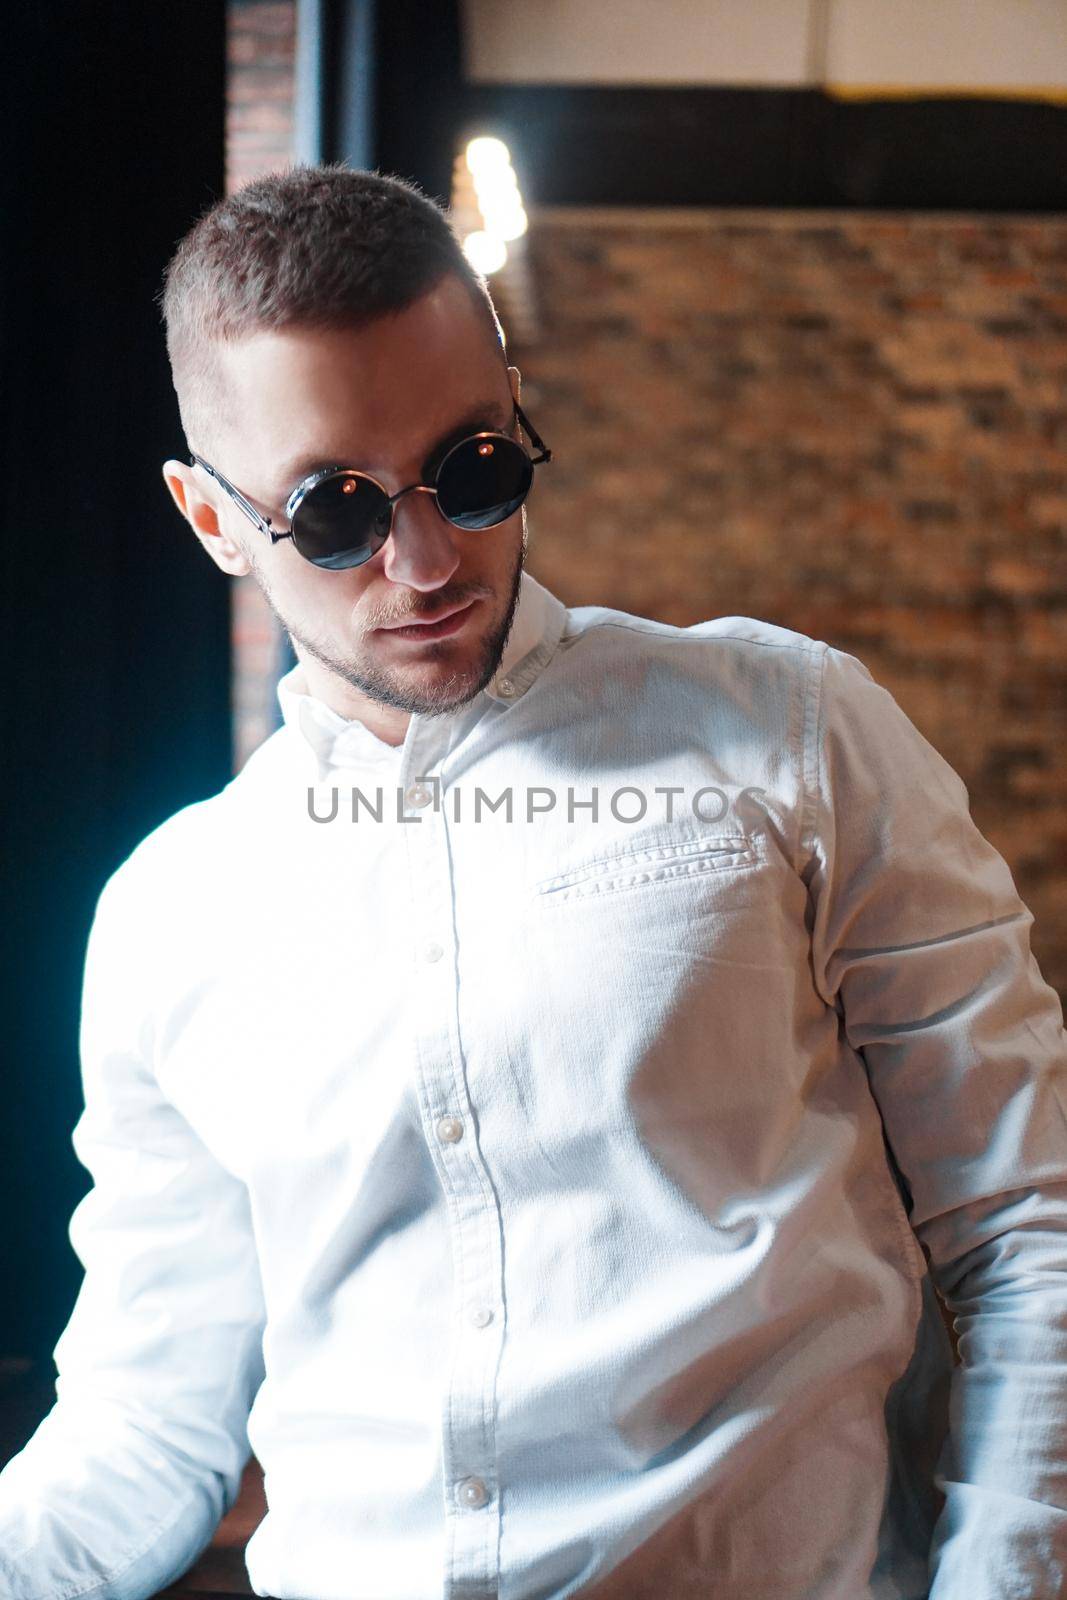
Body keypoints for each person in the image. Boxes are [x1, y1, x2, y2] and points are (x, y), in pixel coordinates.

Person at [1, 161, 1066, 1600]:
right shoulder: (170, 914)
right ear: (211, 524)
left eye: (476, 469)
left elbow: (1030, 1234)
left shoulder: (795, 736)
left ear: (514, 404)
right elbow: (145, 1423)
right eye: (335, 514)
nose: (428, 557)